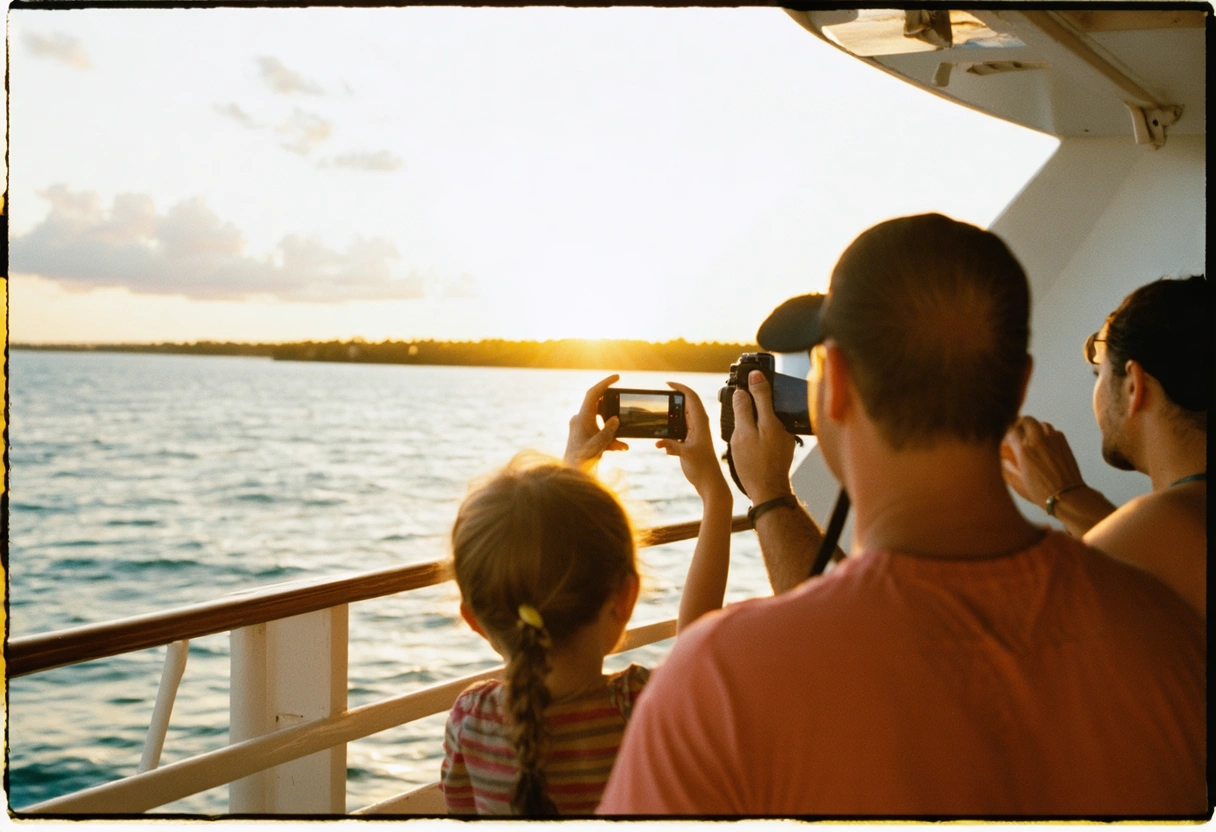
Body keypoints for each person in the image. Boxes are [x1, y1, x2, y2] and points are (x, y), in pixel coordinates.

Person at [598, 214, 1206, 817]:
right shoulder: (1168, 635)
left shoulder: (719, 683)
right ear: (1018, 386)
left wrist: (767, 493)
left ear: (832, 382)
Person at [440, 374, 733, 816]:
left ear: (474, 619)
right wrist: (716, 495)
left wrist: (574, 464)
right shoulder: (636, 708)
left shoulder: (471, 720)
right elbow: (696, 643)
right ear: (625, 598)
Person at [1001, 276, 1208, 617]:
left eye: (1099, 376)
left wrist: (1065, 494)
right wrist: (1063, 501)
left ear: (1133, 386)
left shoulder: (1172, 519)